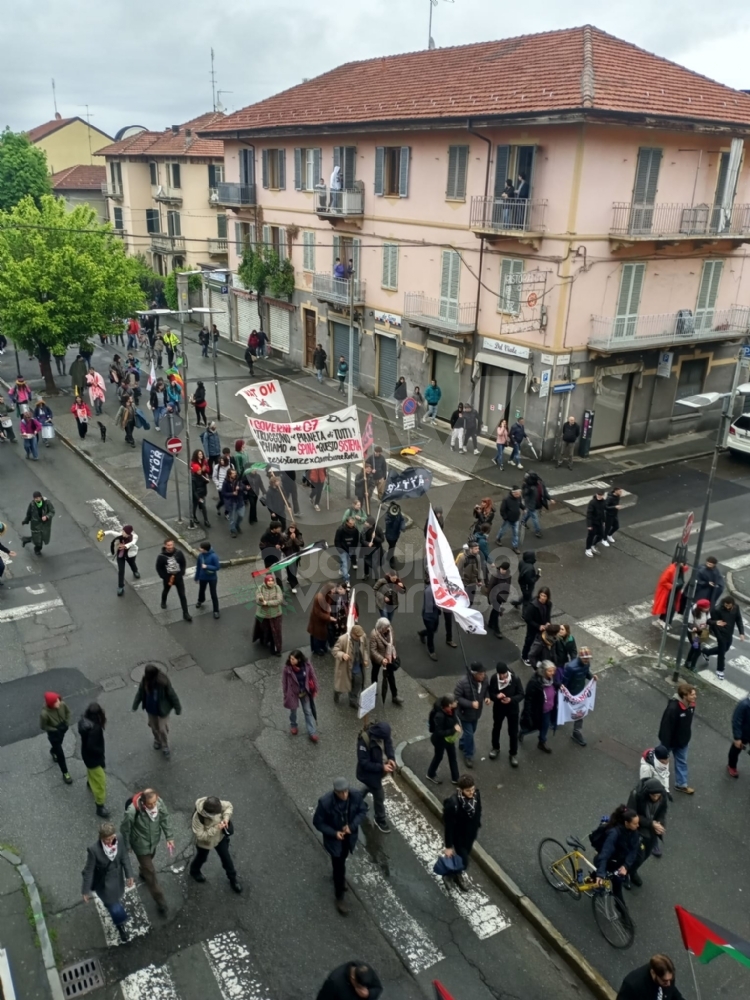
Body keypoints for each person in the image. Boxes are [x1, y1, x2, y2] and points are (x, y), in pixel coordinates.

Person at [313, 779, 368, 914]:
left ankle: (339, 877)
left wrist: (352, 826)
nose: (344, 795)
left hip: (348, 837)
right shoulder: (325, 803)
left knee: (343, 858)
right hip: (334, 840)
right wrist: (334, 833)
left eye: (346, 791)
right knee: (338, 865)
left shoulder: (355, 796)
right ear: (335, 792)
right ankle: (339, 897)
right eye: (340, 793)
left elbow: (362, 810)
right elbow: (318, 822)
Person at [120, 789, 174, 915]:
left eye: (155, 802)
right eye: (150, 804)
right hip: (141, 846)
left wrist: (169, 837)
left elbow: (164, 818)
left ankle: (142, 871)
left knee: (149, 862)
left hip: (153, 842)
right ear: (143, 802)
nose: (154, 806)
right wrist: (128, 845)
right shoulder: (132, 812)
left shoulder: (158, 803)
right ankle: (160, 901)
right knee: (151, 873)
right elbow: (125, 829)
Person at [81, 821, 135, 943]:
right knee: (114, 907)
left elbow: (124, 857)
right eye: (107, 840)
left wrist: (129, 875)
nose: (110, 842)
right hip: (104, 885)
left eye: (112, 838)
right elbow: (89, 871)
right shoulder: (94, 850)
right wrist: (85, 890)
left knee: (116, 900)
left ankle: (116, 915)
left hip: (118, 879)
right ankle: (120, 926)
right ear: (101, 838)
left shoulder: (119, 839)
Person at [189, 796, 242, 892]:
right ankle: (194, 871)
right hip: (205, 843)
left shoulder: (217, 805)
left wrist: (226, 818)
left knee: (227, 860)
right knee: (201, 858)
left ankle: (233, 879)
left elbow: (228, 806)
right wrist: (216, 828)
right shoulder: (197, 817)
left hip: (220, 838)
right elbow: (200, 835)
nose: (218, 814)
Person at [132, 663, 182, 759]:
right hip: (151, 709)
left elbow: (172, 695)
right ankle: (157, 740)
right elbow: (140, 693)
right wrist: (135, 705)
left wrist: (177, 707)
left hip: (163, 710)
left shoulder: (163, 682)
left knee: (162, 729)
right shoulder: (145, 681)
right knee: (154, 727)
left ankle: (165, 746)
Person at [592, 805, 640, 904]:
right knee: (617, 890)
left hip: (618, 862)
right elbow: (605, 853)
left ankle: (624, 915)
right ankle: (624, 916)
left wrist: (625, 866)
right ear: (626, 823)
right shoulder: (614, 833)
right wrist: (601, 873)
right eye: (635, 823)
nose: (638, 825)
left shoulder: (634, 832)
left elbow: (633, 850)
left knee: (617, 887)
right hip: (608, 861)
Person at [442, 775, 482, 892]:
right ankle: (448, 876)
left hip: (470, 834)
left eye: (472, 789)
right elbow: (448, 827)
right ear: (460, 790)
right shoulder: (453, 804)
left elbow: (478, 810)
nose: (471, 793)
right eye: (468, 790)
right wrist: (449, 846)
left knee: (462, 857)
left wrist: (477, 824)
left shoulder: (476, 795)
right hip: (458, 837)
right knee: (464, 861)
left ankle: (456, 874)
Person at [357, 720, 396, 833]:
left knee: (370, 787)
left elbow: (389, 745)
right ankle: (380, 819)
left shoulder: (384, 735)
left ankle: (355, 800)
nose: (386, 738)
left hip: (378, 772)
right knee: (379, 796)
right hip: (369, 774)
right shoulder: (364, 740)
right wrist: (382, 767)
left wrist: (391, 758)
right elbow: (364, 762)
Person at [626, 777, 666, 885]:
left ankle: (631, 871)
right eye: (653, 795)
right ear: (647, 793)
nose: (656, 798)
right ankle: (626, 874)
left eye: (658, 795)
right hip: (637, 828)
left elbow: (662, 812)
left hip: (651, 831)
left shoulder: (662, 795)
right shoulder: (636, 795)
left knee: (646, 854)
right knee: (638, 856)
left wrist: (660, 824)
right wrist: (650, 823)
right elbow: (631, 815)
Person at [658, 682, 696, 794]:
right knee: (661, 761)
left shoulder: (691, 705)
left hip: (682, 741)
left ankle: (681, 784)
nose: (695, 696)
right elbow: (666, 729)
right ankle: (654, 778)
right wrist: (664, 749)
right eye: (692, 694)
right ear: (685, 696)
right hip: (670, 741)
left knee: (682, 762)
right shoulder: (673, 709)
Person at [454, 662, 490, 768]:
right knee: (469, 734)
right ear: (474, 674)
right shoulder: (463, 683)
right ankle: (468, 755)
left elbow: (486, 689)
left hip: (476, 713)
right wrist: (470, 704)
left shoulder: (485, 679)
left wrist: (487, 697)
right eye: (480, 674)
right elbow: (457, 698)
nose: (483, 676)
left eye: (483, 673)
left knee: (472, 730)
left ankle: (462, 743)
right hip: (465, 714)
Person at [488, 662, 523, 767]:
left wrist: (511, 699)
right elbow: (491, 693)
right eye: (500, 674)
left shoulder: (515, 679)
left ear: (507, 672)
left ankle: (513, 754)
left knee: (513, 732)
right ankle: (495, 748)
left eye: (504, 674)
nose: (502, 677)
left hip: (512, 709)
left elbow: (521, 694)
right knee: (496, 728)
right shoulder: (494, 678)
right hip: (499, 708)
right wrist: (496, 696)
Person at [78, 703, 109, 817]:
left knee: (91, 771)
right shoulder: (95, 728)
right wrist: (100, 753)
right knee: (101, 781)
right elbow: (93, 746)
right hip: (94, 759)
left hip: (86, 755)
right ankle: (100, 806)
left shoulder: (83, 721)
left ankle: (90, 783)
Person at [561, 647, 597, 747]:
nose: (587, 660)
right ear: (580, 657)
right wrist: (563, 691)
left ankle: (576, 732)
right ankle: (555, 718)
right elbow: (565, 681)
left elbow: (586, 673)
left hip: (580, 694)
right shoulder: (570, 667)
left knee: (580, 712)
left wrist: (592, 677)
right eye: (585, 658)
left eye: (588, 658)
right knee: (563, 707)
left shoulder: (586, 664)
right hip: (570, 693)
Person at [704, 594, 745, 680]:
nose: (727, 607)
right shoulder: (717, 609)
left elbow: (738, 619)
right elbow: (710, 621)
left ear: (732, 605)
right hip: (720, 633)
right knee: (722, 653)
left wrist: (741, 633)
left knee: (725, 648)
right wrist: (717, 629)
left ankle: (706, 652)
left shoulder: (736, 608)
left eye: (729, 606)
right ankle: (720, 670)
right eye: (726, 605)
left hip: (729, 633)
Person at [520, 661, 558, 753]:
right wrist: (527, 714)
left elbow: (555, 684)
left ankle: (542, 742)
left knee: (545, 726)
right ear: (543, 671)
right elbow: (528, 699)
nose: (552, 673)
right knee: (533, 727)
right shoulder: (534, 682)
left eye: (553, 671)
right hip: (538, 711)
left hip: (548, 709)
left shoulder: (551, 679)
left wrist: (560, 686)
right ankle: (522, 732)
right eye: (550, 671)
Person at [283, 650, 319, 740]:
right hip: (293, 693)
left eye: (293, 659)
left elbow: (312, 675)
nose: (291, 661)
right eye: (290, 658)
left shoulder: (306, 665)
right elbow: (284, 682)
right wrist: (285, 693)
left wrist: (316, 688)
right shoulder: (287, 669)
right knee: (293, 711)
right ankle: (293, 725)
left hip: (304, 691)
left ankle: (312, 732)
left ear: (299, 659)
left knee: (308, 711)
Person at [426, 696, 462, 785]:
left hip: (449, 739)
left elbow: (454, 719)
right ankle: (430, 774)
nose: (456, 702)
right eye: (454, 701)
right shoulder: (440, 716)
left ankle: (456, 778)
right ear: (449, 705)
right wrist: (454, 729)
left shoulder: (452, 710)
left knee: (452, 757)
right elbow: (439, 732)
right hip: (440, 741)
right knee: (438, 757)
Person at [616, 955, 685, 1000]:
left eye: (671, 979)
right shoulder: (632, 986)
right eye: (665, 981)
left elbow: (672, 991)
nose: (669, 984)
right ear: (653, 973)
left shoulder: (667, 978)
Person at [40, 692, 73, 784]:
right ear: (51, 704)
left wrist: (66, 723)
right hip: (54, 734)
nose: (59, 702)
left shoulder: (62, 704)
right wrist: (54, 729)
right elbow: (43, 726)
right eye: (56, 702)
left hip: (62, 729)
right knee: (60, 755)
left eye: (58, 700)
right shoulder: (44, 714)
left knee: (58, 746)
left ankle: (53, 751)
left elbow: (68, 712)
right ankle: (65, 773)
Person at [333, 624, 369, 707]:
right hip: (346, 667)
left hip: (357, 665)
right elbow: (335, 651)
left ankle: (353, 700)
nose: (360, 637)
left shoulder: (362, 637)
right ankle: (337, 692)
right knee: (343, 685)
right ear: (352, 634)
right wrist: (342, 655)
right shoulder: (343, 639)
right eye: (357, 636)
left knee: (358, 682)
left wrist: (366, 659)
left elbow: (365, 648)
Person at [155, 539, 192, 621]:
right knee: (166, 590)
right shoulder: (161, 557)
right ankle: (163, 601)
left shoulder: (178, 553)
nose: (170, 547)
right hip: (168, 578)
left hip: (178, 577)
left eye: (171, 545)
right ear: (165, 545)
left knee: (182, 595)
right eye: (168, 545)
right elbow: (159, 568)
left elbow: (183, 563)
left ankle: (186, 613)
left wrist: (182, 572)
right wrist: (165, 577)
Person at [370, 617, 403, 705]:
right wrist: (381, 659)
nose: (387, 629)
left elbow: (393, 643)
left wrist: (392, 655)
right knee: (375, 673)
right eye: (385, 628)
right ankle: (373, 690)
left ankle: (395, 696)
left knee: (391, 676)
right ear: (380, 628)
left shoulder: (390, 628)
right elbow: (373, 650)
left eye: (388, 627)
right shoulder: (374, 634)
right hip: (378, 658)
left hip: (388, 657)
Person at [651, 561, 689, 629]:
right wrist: (672, 586)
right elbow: (663, 581)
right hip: (669, 591)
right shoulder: (671, 570)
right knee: (671, 607)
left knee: (669, 607)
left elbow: (685, 568)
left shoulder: (678, 568)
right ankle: (665, 621)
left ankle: (662, 620)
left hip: (674, 591)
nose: (683, 565)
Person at [253, 573, 284, 655]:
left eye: (272, 581)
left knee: (276, 632)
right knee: (264, 629)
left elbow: (279, 600)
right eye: (269, 581)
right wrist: (260, 599)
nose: (270, 582)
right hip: (263, 614)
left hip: (275, 614)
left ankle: (276, 649)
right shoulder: (260, 588)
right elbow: (258, 601)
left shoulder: (277, 588)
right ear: (265, 582)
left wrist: (267, 603)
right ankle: (264, 640)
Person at [316, 962, 382, 1000]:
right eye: (360, 987)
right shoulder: (334, 982)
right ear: (353, 978)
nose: (363, 989)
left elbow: (378, 988)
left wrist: (369, 994)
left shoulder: (367, 972)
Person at [521, 586, 552, 663]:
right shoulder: (533, 606)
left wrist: (548, 622)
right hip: (533, 627)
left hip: (543, 626)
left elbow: (547, 615)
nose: (543, 598)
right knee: (529, 641)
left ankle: (538, 655)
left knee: (541, 641)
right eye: (541, 595)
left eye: (545, 596)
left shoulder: (548, 604)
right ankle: (524, 656)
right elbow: (527, 619)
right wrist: (538, 626)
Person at [108, 525, 140, 596]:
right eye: (122, 531)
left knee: (132, 564)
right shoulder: (120, 535)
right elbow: (111, 532)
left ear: (128, 533)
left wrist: (125, 546)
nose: (122, 532)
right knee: (121, 571)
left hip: (130, 555)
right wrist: (103, 533)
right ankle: (120, 586)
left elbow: (133, 543)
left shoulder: (134, 536)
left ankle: (135, 571)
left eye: (124, 531)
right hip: (121, 555)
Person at [21, 491, 55, 555]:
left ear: (41, 497)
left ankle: (26, 540)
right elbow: (29, 514)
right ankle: (37, 549)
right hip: (35, 524)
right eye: (35, 498)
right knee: (38, 539)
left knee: (42, 538)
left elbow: (52, 511)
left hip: (45, 525)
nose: (37, 499)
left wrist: (47, 516)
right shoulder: (32, 504)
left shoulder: (47, 503)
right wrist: (26, 521)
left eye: (38, 498)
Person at [684, 598, 711, 671]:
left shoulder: (707, 611)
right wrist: (694, 628)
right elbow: (689, 623)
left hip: (702, 631)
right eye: (707, 608)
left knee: (694, 648)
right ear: (701, 608)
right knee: (697, 651)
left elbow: (708, 619)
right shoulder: (693, 611)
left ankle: (687, 662)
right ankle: (692, 666)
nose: (708, 608)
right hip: (694, 633)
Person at [456, 540, 486, 606]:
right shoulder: (463, 558)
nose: (478, 550)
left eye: (478, 548)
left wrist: (479, 580)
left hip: (473, 583)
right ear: (470, 549)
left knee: (470, 601)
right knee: (463, 600)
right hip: (464, 583)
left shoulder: (477, 557)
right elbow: (458, 570)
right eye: (476, 549)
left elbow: (479, 568)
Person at [195, 540, 220, 619]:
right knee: (201, 590)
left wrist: (207, 566)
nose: (199, 549)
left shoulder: (213, 556)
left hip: (212, 578)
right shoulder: (200, 556)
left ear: (205, 549)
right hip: (203, 577)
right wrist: (197, 577)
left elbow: (217, 567)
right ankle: (200, 600)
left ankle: (216, 610)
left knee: (213, 593)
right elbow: (198, 567)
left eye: (201, 548)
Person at [521, 471, 550, 538]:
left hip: (538, 502)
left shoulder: (540, 483)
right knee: (535, 517)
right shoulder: (527, 485)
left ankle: (523, 521)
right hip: (531, 504)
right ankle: (537, 531)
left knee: (529, 513)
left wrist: (549, 498)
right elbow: (524, 494)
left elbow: (544, 491)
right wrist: (529, 489)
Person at [486, 558, 511, 638]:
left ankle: (490, 623)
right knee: (496, 612)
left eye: (504, 570)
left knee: (495, 611)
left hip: (501, 597)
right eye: (502, 569)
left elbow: (508, 587)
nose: (503, 571)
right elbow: (490, 587)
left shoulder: (508, 576)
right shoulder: (496, 576)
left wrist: (505, 598)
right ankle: (497, 630)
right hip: (494, 597)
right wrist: (489, 598)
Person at [495, 487, 523, 554]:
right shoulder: (506, 500)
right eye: (517, 494)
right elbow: (502, 509)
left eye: (519, 494)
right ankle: (498, 538)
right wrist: (505, 517)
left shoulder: (519, 498)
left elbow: (520, 504)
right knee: (503, 530)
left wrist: (524, 508)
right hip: (508, 520)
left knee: (515, 533)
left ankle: (515, 546)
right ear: (513, 493)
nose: (518, 495)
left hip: (516, 519)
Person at [728, 694, 750, 778]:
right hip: (743, 734)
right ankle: (731, 766)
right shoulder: (744, 704)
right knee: (735, 750)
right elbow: (736, 721)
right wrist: (737, 738)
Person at [418, 581, 442, 661]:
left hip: (435, 615)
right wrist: (440, 603)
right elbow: (429, 605)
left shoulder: (438, 588)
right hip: (428, 617)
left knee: (434, 630)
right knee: (431, 633)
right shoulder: (428, 591)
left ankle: (422, 633)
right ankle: (431, 651)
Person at [334, 517, 360, 584]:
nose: (352, 525)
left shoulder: (355, 530)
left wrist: (353, 548)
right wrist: (340, 550)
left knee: (345, 562)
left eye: (353, 523)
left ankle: (341, 569)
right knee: (345, 564)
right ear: (347, 523)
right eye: (351, 523)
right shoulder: (340, 530)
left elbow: (356, 540)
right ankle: (347, 580)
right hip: (343, 549)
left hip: (350, 549)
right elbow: (337, 540)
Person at [190, 450, 211, 528]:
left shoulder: (201, 476)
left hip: (201, 493)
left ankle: (206, 520)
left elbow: (203, 483)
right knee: (194, 506)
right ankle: (194, 517)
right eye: (198, 470)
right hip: (197, 495)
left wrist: (206, 481)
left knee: (203, 506)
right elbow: (194, 490)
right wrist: (198, 498)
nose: (200, 471)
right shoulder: (193, 479)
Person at [221, 467, 244, 538]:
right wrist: (232, 493)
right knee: (232, 518)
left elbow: (243, 487)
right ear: (229, 475)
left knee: (241, 515)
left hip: (239, 501)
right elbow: (223, 493)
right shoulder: (225, 482)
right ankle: (233, 530)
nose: (235, 474)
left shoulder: (238, 480)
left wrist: (239, 488)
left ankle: (237, 525)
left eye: (235, 473)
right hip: (232, 502)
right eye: (233, 473)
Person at [585, 488, 607, 557]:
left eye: (600, 495)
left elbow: (603, 512)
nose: (599, 496)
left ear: (603, 495)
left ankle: (593, 545)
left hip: (599, 522)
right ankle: (588, 549)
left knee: (601, 535)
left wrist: (604, 521)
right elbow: (589, 514)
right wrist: (589, 525)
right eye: (598, 494)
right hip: (593, 523)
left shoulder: (603, 502)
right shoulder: (592, 502)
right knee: (591, 536)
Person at [282, 524, 304, 593]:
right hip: (288, 556)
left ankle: (289, 579)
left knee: (294, 569)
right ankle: (293, 586)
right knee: (290, 569)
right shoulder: (285, 535)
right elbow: (285, 545)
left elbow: (301, 544)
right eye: (290, 528)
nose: (291, 529)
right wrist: (291, 539)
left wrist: (295, 539)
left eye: (293, 528)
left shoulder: (298, 535)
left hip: (296, 555)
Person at [362, 515, 384, 581]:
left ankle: (377, 579)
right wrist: (367, 543)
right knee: (365, 562)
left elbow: (382, 540)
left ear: (370, 524)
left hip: (376, 550)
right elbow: (362, 539)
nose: (365, 523)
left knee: (374, 565)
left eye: (366, 522)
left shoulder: (378, 529)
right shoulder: (364, 529)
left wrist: (375, 537)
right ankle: (366, 574)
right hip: (367, 548)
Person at [384, 502, 406, 569]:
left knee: (392, 546)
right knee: (392, 547)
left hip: (396, 534)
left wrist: (402, 527)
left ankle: (389, 556)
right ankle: (391, 560)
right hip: (390, 536)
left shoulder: (398, 513)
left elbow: (402, 520)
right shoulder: (388, 516)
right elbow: (388, 523)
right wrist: (392, 517)